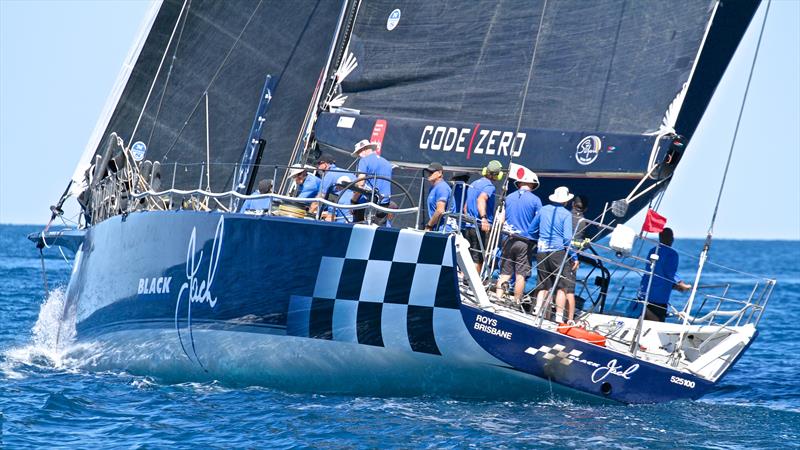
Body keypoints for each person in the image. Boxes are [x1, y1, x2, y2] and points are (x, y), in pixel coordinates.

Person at [528, 186, 578, 323]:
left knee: (543, 282)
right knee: (562, 285)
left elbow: (531, 230)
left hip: (542, 249)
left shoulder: (543, 209)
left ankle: (537, 309)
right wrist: (574, 257)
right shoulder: (566, 214)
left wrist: (538, 239)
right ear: (566, 201)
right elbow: (567, 239)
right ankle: (559, 316)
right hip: (558, 252)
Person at [495, 170, 542, 304]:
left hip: (507, 238)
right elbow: (539, 221)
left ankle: (498, 298)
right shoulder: (536, 200)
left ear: (520, 183)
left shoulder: (509, 197)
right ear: (532, 185)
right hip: (524, 241)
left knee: (505, 272)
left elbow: (501, 218)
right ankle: (516, 301)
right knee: (521, 274)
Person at [636, 227, 692, 322]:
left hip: (643, 295)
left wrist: (675, 286)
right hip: (657, 300)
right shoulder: (672, 254)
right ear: (672, 239)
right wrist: (682, 285)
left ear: (660, 237)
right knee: (655, 326)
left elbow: (658, 274)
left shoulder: (652, 251)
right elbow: (670, 274)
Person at [463, 160, 502, 273]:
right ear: (496, 175)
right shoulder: (489, 187)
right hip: (479, 227)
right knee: (478, 258)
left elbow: (466, 207)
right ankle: (474, 285)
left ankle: (464, 281)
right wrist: (484, 218)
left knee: (468, 257)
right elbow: (481, 199)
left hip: (469, 225)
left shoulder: (474, 184)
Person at [352, 139, 393, 225]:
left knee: (357, 226)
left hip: (369, 201)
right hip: (385, 202)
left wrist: (353, 201)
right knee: (380, 228)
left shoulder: (364, 161)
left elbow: (361, 184)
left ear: (363, 150)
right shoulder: (387, 162)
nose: (358, 156)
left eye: (358, 153)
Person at [310, 154, 355, 221]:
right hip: (354, 206)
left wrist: (310, 212)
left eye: (318, 164)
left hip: (342, 207)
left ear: (325, 164)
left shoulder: (329, 175)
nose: (317, 167)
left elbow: (320, 197)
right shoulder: (347, 172)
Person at [565, 195, 589, 312]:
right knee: (569, 290)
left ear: (572, 204)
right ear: (585, 209)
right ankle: (568, 317)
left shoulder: (565, 216)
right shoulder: (584, 222)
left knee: (550, 285)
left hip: (559, 253)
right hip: (573, 258)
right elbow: (584, 244)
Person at [423, 162, 455, 232]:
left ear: (440, 173)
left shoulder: (442, 187)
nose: (429, 174)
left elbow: (440, 211)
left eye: (431, 172)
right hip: (438, 229)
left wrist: (429, 226)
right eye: (428, 172)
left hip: (445, 230)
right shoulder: (433, 188)